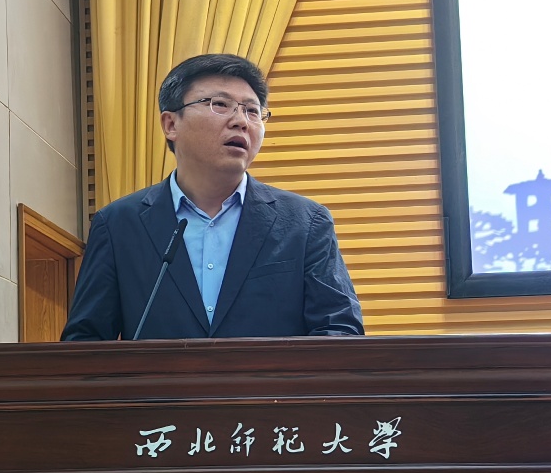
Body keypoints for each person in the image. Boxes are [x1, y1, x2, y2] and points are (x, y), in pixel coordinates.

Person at [61, 53, 364, 340]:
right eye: (220, 104)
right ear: (171, 124)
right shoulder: (118, 225)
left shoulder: (305, 222)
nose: (241, 121)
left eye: (252, 111)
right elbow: (85, 342)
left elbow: (339, 331)